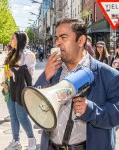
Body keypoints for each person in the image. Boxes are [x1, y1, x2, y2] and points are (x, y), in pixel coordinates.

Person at [34, 18, 119, 150]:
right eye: (56, 38)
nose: (57, 43)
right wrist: (45, 76)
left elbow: (116, 114)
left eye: (63, 38)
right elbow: (33, 103)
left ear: (81, 41)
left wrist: (90, 109)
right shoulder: (53, 70)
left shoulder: (109, 75)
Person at [4, 31, 36, 150]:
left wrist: (14, 73)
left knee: (22, 116)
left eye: (13, 38)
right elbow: (7, 70)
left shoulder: (28, 54)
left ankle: (32, 140)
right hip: (10, 86)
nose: (11, 40)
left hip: (22, 89)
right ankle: (16, 140)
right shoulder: (11, 53)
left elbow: (29, 74)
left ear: (19, 40)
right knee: (13, 115)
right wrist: (5, 82)